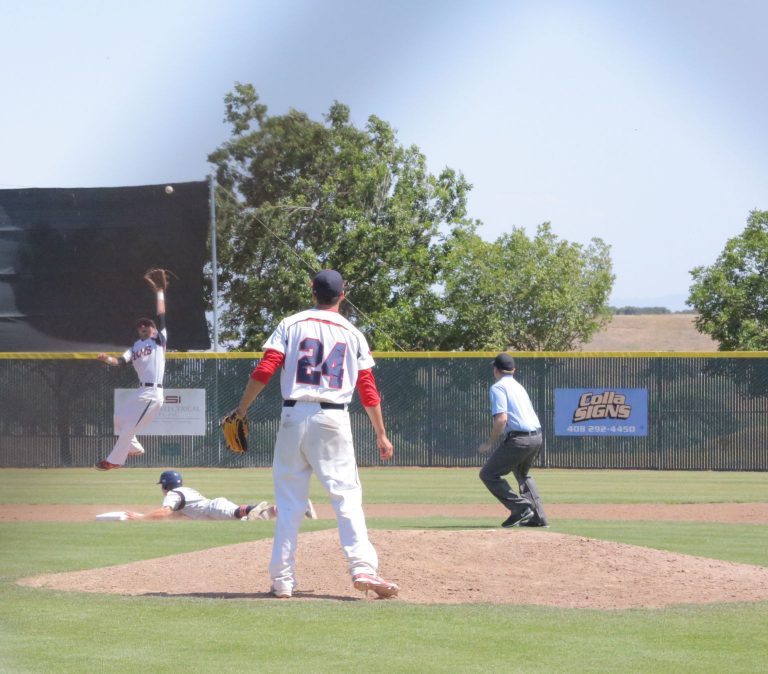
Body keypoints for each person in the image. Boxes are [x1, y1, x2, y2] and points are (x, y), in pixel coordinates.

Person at [233, 269, 399, 599]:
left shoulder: (291, 324)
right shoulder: (353, 333)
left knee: (289, 502)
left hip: (293, 416)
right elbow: (368, 390)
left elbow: (266, 368)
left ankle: (282, 581)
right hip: (333, 418)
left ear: (312, 290)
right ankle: (362, 567)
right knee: (346, 498)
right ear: (343, 293)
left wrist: (241, 410)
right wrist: (381, 433)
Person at [95, 280, 167, 470]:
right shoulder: (135, 347)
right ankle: (134, 448)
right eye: (140, 326)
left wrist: (160, 292)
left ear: (153, 329)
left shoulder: (158, 341)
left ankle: (114, 461)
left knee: (129, 427)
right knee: (119, 417)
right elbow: (119, 361)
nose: (143, 327)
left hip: (153, 393)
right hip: (141, 392)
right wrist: (107, 359)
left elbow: (161, 317)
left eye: (147, 325)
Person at [477, 353, 549, 528]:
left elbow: (502, 419)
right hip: (537, 436)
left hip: (520, 439)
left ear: (496, 370)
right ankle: (538, 517)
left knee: (488, 474)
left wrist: (489, 442)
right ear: (513, 370)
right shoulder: (518, 386)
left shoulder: (498, 387)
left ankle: (521, 508)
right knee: (522, 475)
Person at [124, 470, 317, 521]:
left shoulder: (174, 494)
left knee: (247, 513)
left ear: (165, 485)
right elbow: (174, 515)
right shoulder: (184, 491)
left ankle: (299, 504)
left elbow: (165, 512)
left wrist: (142, 517)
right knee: (255, 518)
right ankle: (296, 508)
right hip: (213, 510)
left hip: (214, 508)